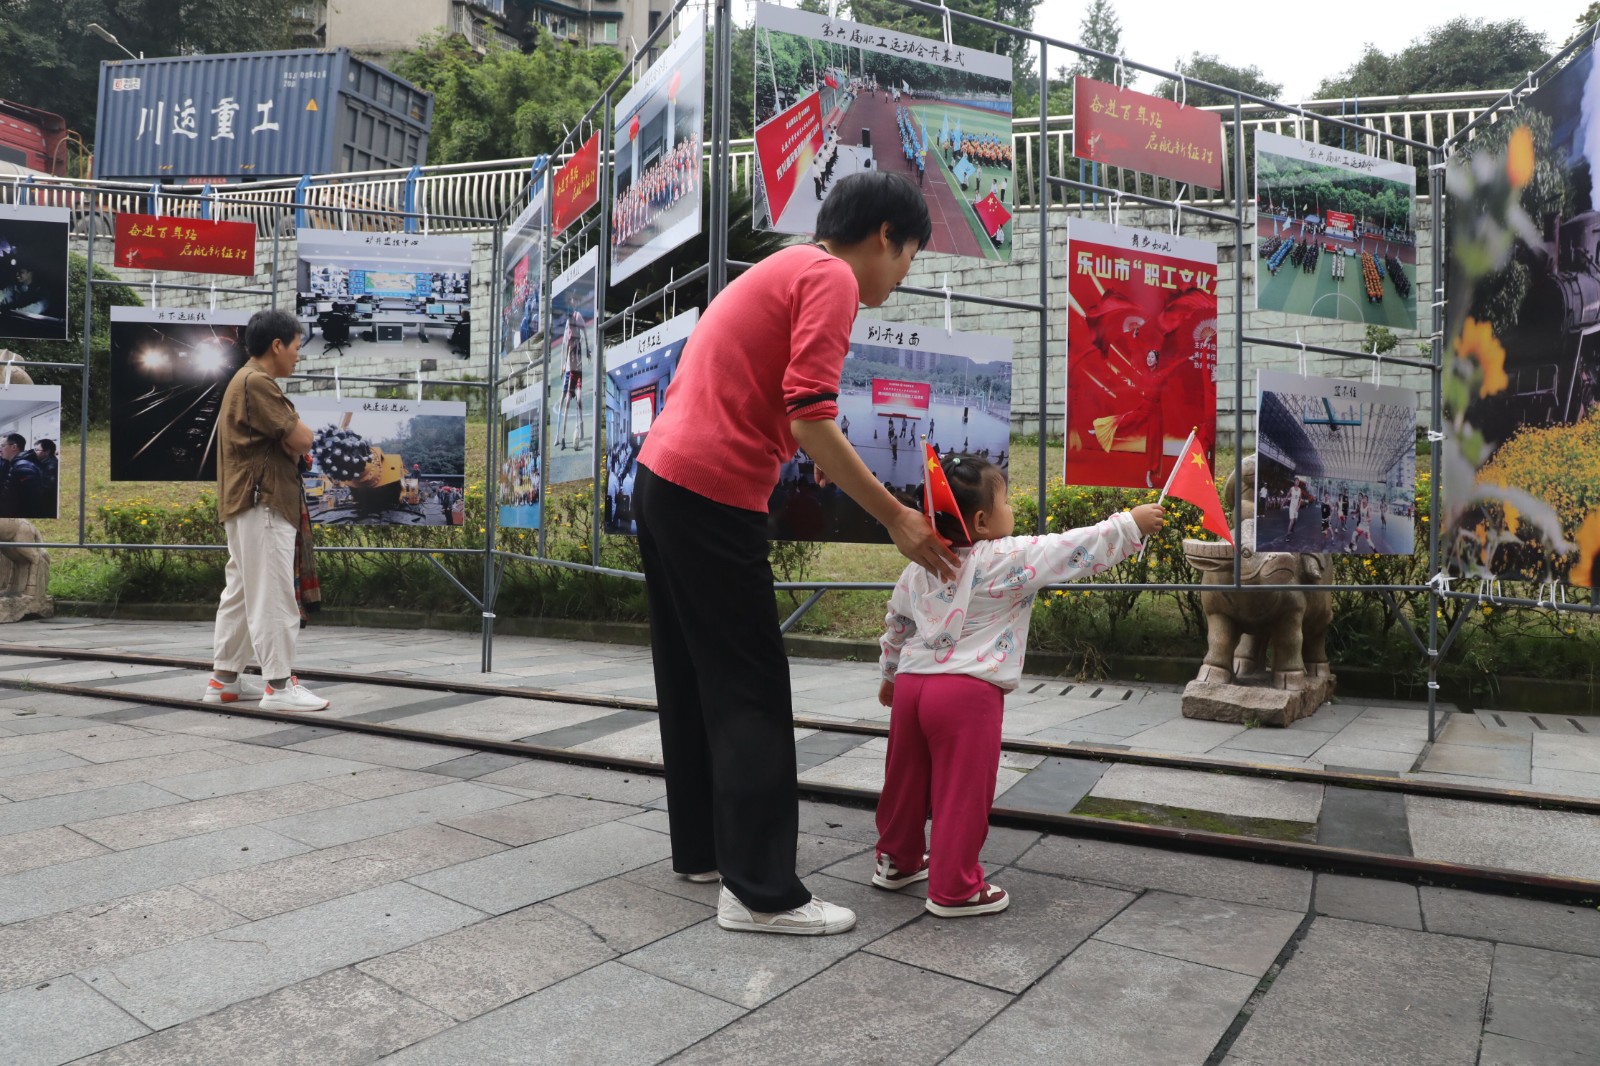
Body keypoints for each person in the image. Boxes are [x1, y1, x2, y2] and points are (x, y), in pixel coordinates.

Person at [634, 171, 956, 936]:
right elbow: (810, 416)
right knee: (750, 684)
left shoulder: (782, 267)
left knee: (694, 676)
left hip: (664, 481)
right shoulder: (830, 276)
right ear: (884, 236)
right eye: (909, 257)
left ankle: (707, 852)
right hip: (711, 493)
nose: (902, 276)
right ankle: (761, 893)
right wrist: (897, 518)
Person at [875, 455, 1164, 916]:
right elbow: (1071, 548)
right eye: (1006, 500)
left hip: (912, 685)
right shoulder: (1006, 557)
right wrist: (1131, 524)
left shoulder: (921, 563)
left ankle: (896, 861)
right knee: (962, 791)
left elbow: (898, 623)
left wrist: (890, 676)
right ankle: (954, 889)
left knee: (904, 781)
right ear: (982, 521)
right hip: (967, 692)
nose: (1011, 509)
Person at [205, 309, 329, 713]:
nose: (298, 355)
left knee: (242, 593)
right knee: (273, 595)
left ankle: (224, 681)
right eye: (296, 347)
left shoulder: (242, 380)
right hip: (264, 502)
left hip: (245, 502)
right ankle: (278, 685)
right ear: (277, 345)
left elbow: (292, 441)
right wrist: (297, 437)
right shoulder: (257, 382)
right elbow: (302, 438)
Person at [0, 434, 47, 517]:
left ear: (14, 447)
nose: (0, 449)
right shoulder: (16, 464)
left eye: (3, 446)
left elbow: (31, 499)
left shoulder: (23, 466)